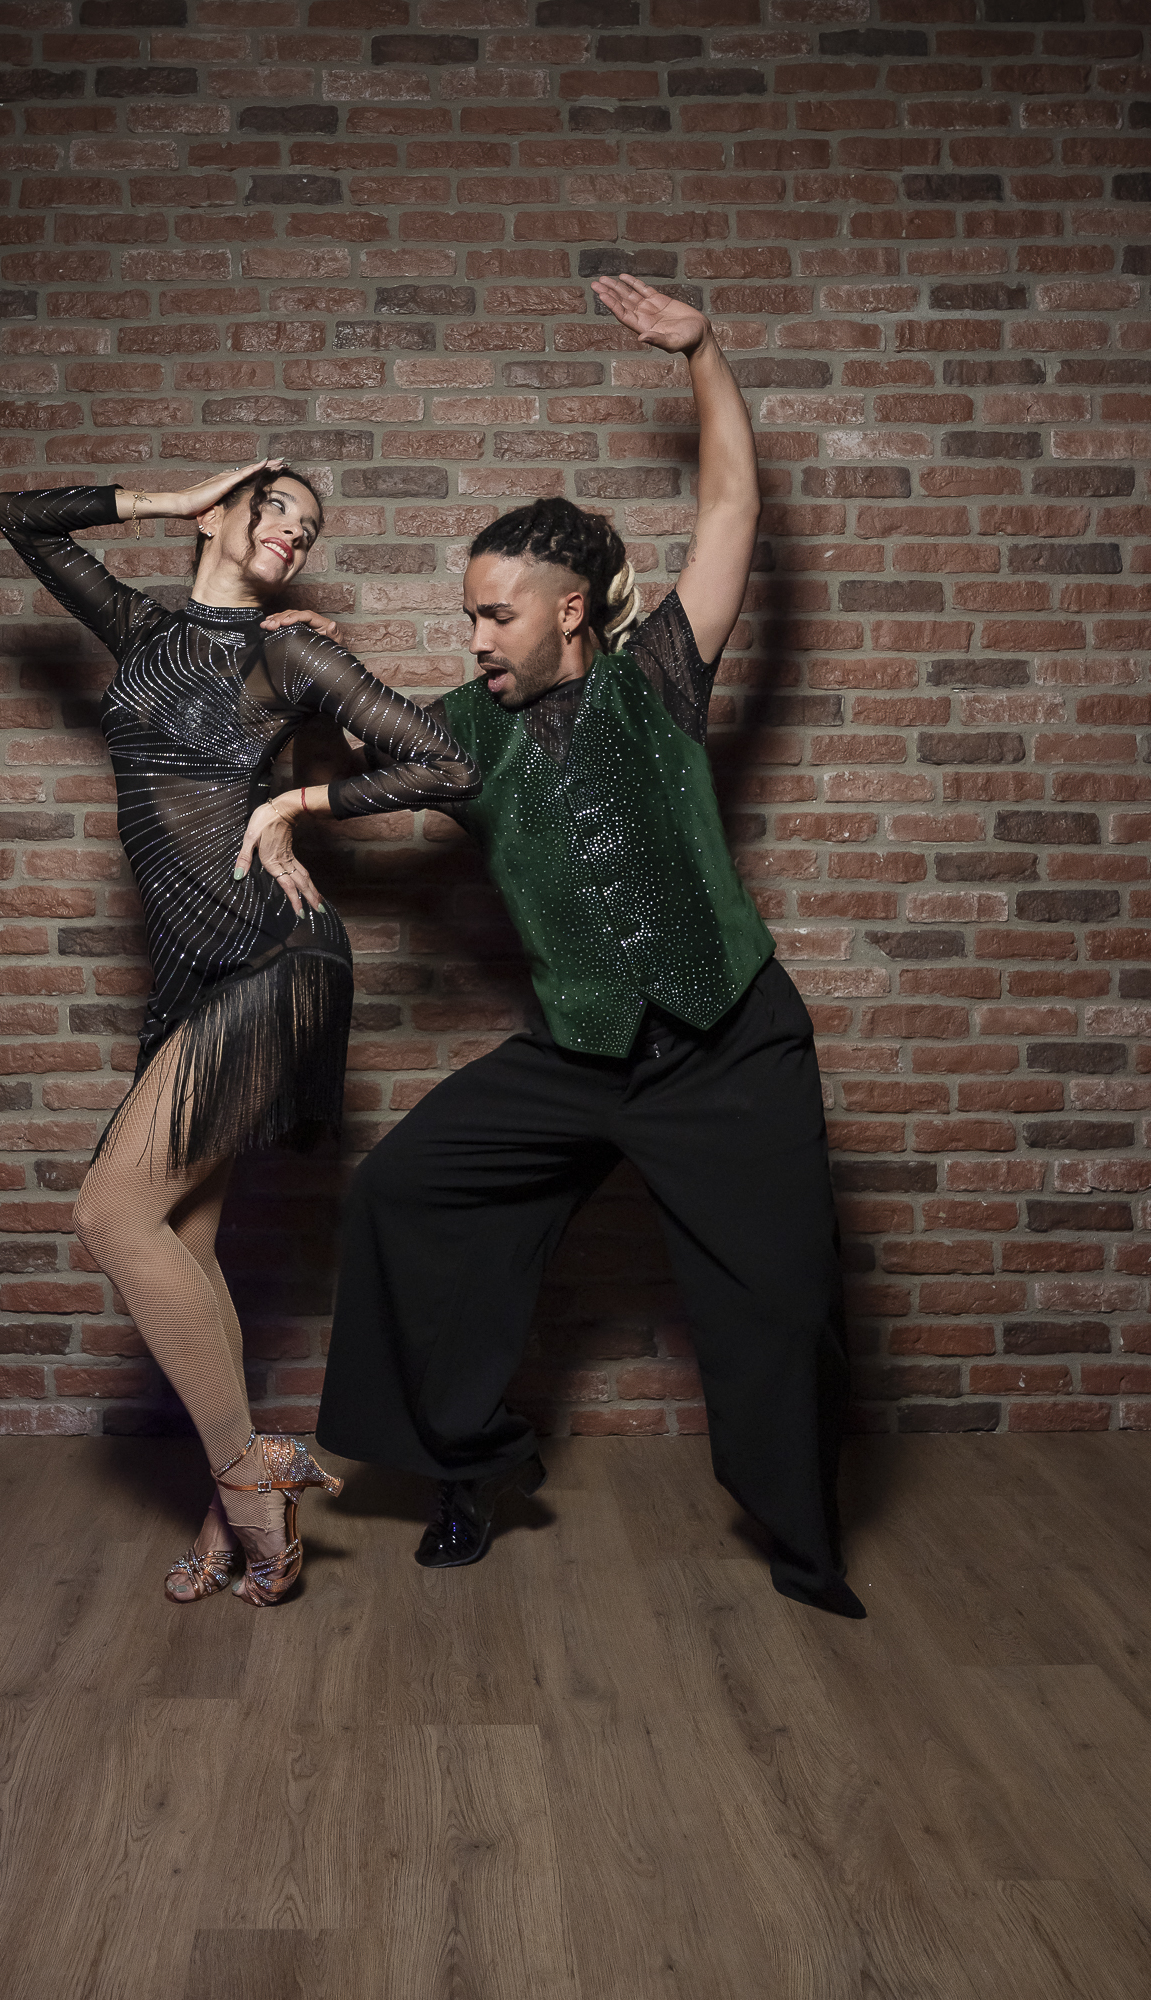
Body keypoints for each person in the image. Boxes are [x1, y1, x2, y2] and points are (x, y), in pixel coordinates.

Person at [315, 278, 864, 1619]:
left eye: (494, 616)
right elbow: (357, 744)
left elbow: (730, 513)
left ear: (568, 612)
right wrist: (306, 666)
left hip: (730, 1046)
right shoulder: (464, 728)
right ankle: (469, 1463)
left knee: (786, 1304)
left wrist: (703, 352)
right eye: (467, 616)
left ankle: (805, 1545)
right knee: (401, 1194)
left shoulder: (657, 677)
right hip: (578, 1055)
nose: (474, 639)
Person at [0, 462, 480, 1607]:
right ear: (222, 511)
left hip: (273, 955)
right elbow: (22, 517)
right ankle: (239, 1507)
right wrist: (171, 499)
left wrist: (295, 803)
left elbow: (446, 763)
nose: (295, 536)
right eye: (278, 510)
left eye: (309, 529)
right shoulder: (141, 630)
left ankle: (249, 1481)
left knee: (110, 1211)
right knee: (182, 1236)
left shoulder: (288, 653)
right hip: (189, 974)